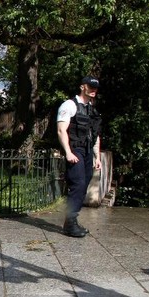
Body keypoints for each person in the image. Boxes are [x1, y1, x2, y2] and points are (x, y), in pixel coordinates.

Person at [57, 76, 102, 237]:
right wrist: (68, 152)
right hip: (75, 149)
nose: (93, 90)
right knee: (78, 183)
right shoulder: (69, 105)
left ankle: (72, 220)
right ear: (82, 87)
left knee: (84, 184)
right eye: (90, 87)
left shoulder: (91, 108)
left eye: (95, 88)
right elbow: (61, 130)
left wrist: (97, 157)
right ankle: (70, 224)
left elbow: (95, 134)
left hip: (88, 150)